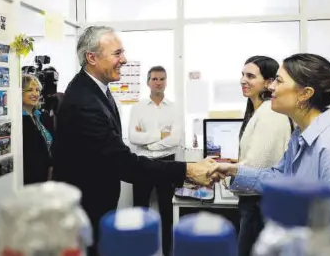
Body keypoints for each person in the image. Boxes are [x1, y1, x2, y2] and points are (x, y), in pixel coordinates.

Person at [52, 26, 216, 256]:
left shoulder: (96, 90)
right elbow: (123, 163)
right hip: (87, 209)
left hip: (96, 204)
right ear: (92, 57)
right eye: (117, 53)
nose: (124, 59)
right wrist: (188, 170)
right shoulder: (84, 101)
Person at [208, 53, 330, 256]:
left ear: (304, 94)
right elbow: (278, 177)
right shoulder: (300, 136)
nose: (271, 86)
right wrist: (233, 170)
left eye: (279, 80)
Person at [233, 56, 292, 256]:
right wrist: (236, 164)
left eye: (250, 76)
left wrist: (223, 174)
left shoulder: (269, 112)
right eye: (242, 74)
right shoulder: (257, 109)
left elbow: (256, 169)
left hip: (259, 203)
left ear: (268, 82)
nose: (243, 80)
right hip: (256, 202)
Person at [129, 65, 182, 256]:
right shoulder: (138, 107)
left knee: (167, 210)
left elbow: (175, 139)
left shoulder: (174, 108)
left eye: (162, 79)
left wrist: (150, 144)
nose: (158, 83)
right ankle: (138, 249)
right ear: (148, 82)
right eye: (155, 79)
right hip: (142, 162)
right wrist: (161, 134)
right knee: (140, 209)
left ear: (166, 82)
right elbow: (133, 137)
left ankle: (167, 251)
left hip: (167, 162)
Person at [22, 74, 53, 185]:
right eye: (30, 90)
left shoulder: (41, 116)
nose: (35, 94)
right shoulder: (19, 121)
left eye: (37, 90)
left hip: (46, 175)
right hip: (31, 179)